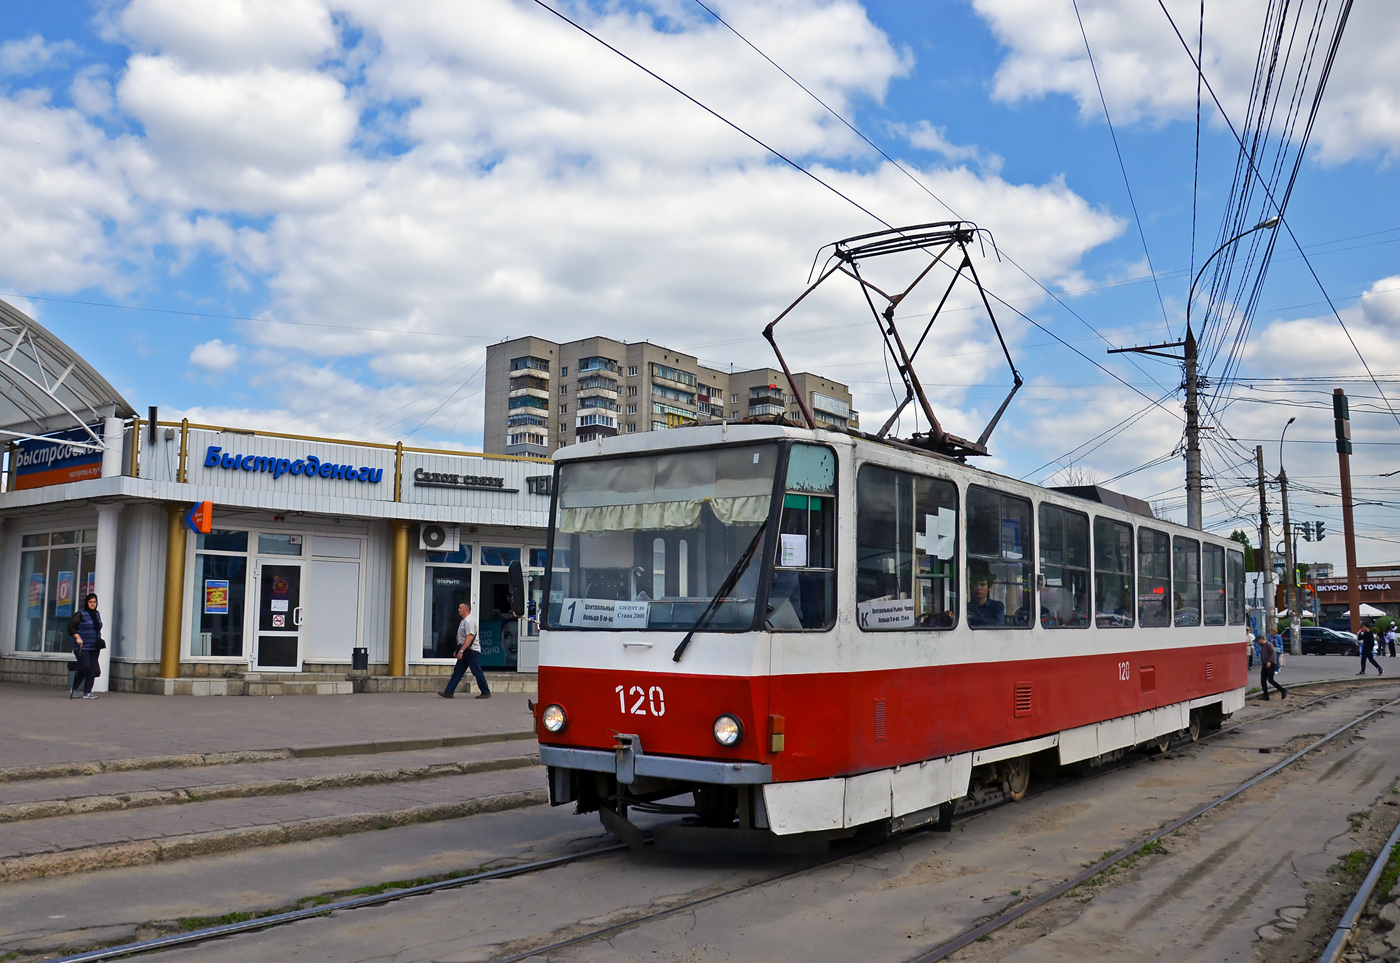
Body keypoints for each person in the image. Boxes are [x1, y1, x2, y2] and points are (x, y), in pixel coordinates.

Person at [439, 600, 491, 699]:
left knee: (476, 671)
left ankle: (485, 691)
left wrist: (461, 651)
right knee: (458, 671)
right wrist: (458, 650)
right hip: (466, 650)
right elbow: (462, 639)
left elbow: (469, 637)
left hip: (471, 651)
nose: (458, 610)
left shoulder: (469, 621)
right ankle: (449, 691)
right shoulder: (464, 621)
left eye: (460, 608)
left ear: (466, 609)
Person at [66, 593, 103, 700]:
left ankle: (88, 692)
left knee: (92, 668)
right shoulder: (80, 614)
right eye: (91, 602)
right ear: (87, 603)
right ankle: (74, 688)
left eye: (94, 602)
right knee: (85, 666)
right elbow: (70, 626)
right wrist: (77, 637)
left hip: (94, 645)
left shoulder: (97, 614)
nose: (93, 604)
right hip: (82, 645)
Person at [967, 562, 1005, 627]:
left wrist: (971, 618)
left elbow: (997, 624)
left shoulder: (997, 606)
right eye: (975, 584)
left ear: (989, 587)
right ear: (971, 587)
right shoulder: (967, 607)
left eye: (982, 585)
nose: (978, 588)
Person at [1258, 635, 1287, 701]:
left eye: (1258, 640)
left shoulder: (1269, 644)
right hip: (1265, 664)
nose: (1257, 642)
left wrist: (1270, 661)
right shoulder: (1262, 645)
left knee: (1270, 680)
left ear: (1262, 639)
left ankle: (1283, 690)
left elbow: (1273, 653)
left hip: (1271, 664)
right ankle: (1265, 695)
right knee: (1263, 680)